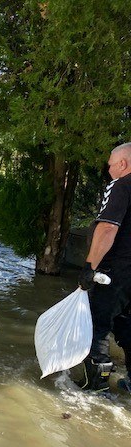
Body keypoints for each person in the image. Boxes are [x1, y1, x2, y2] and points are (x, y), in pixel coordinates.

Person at [77, 143, 131, 393]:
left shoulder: (121, 185)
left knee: (98, 324)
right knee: (126, 325)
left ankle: (96, 387)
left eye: (110, 165)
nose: (108, 170)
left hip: (115, 272)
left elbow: (108, 227)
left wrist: (90, 267)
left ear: (123, 164)